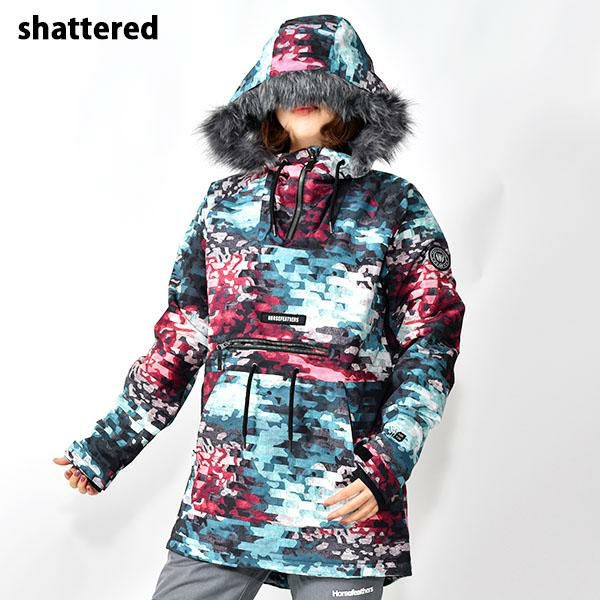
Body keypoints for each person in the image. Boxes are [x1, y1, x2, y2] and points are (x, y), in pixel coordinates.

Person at [53, 13, 466, 600]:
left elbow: (429, 346)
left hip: (343, 497)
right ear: (263, 98)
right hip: (228, 490)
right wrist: (108, 444)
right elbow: (183, 336)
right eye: (286, 86)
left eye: (320, 84)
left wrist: (388, 462)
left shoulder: (394, 206)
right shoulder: (224, 204)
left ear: (352, 94)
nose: (302, 98)